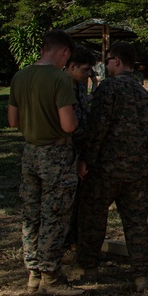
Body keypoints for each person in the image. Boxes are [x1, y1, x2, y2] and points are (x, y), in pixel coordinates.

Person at [7, 29, 84, 296]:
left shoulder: (20, 76)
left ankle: (33, 274)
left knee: (31, 214)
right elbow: (68, 124)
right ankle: (51, 277)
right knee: (55, 215)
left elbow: (13, 121)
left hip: (29, 153)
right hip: (56, 155)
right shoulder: (60, 80)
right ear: (64, 52)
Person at [76, 42, 148, 293]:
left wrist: (86, 158)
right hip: (136, 169)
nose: (105, 66)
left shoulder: (109, 88)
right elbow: (147, 134)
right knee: (136, 222)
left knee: (93, 217)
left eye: (107, 61)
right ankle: (141, 274)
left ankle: (89, 268)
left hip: (106, 168)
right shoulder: (143, 93)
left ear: (117, 61)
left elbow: (97, 128)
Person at [61, 45, 98, 261]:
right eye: (85, 70)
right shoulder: (61, 86)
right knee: (65, 203)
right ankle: (65, 245)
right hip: (66, 151)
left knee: (80, 201)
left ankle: (75, 241)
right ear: (72, 66)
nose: (88, 75)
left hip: (82, 149)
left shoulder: (79, 85)